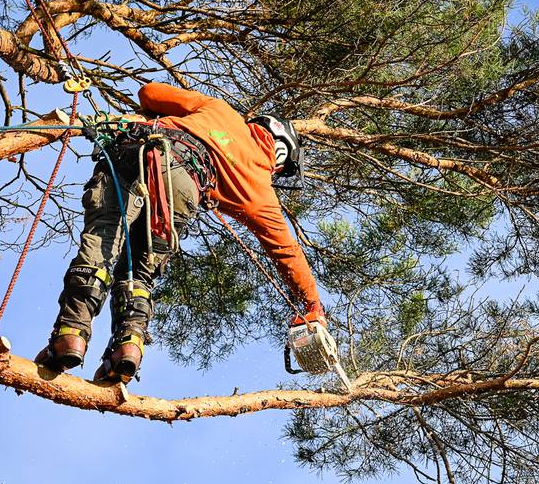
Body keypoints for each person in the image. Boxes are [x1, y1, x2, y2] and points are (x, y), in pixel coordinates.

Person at [35, 82, 325, 384]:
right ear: (280, 155)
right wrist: (312, 305)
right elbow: (286, 251)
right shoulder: (260, 187)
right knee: (140, 272)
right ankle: (128, 348)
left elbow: (149, 93)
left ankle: (71, 335)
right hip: (183, 187)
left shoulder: (221, 111)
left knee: (102, 243)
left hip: (139, 152)